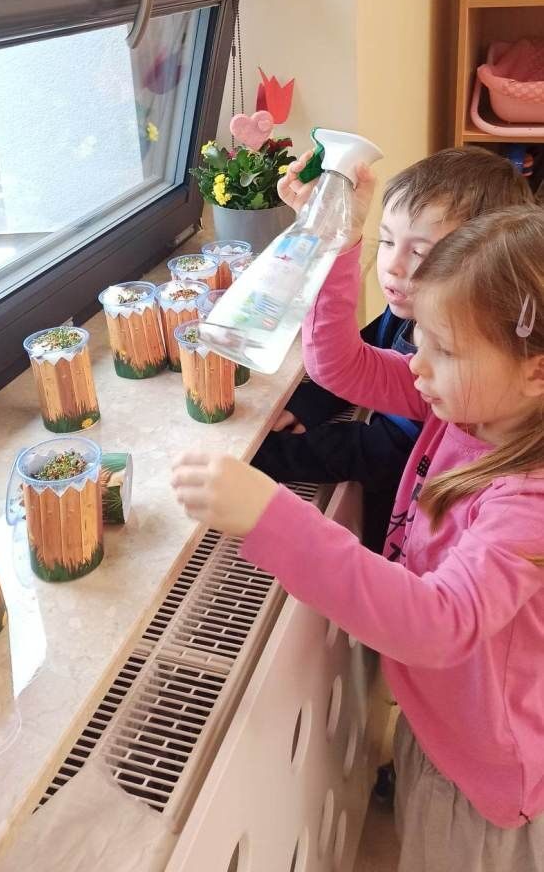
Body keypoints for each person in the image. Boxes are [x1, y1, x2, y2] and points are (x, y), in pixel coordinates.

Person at [172, 168, 544, 872]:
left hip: (487, 773)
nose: (416, 367)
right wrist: (339, 240)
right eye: (418, 338)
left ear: (536, 371)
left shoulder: (527, 501)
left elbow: (438, 623)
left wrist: (271, 517)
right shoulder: (472, 397)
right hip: (444, 720)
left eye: (443, 348)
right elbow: (338, 364)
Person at [253, 146, 534, 555]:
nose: (393, 265)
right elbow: (357, 357)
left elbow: (379, 451)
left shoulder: (467, 396)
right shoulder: (417, 322)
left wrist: (267, 458)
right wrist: (311, 403)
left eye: (420, 252)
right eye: (385, 240)